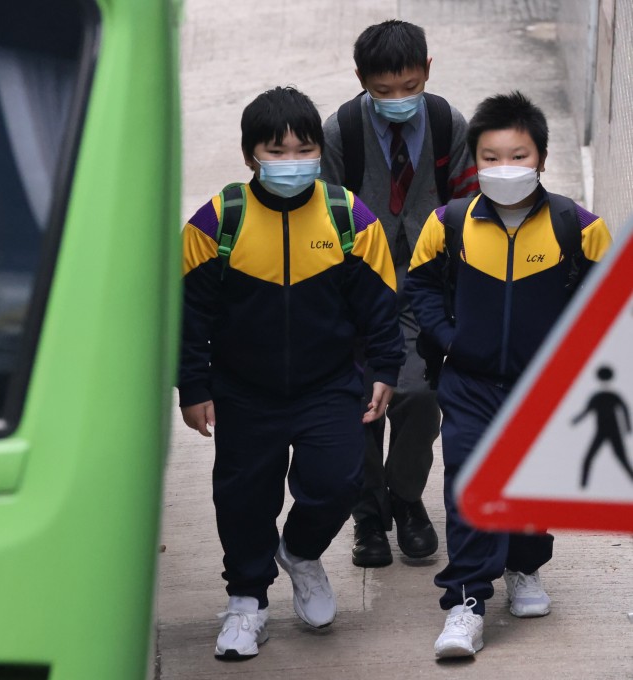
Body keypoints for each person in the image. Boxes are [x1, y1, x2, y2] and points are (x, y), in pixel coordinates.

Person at [178, 85, 404, 660]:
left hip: (328, 384)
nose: (291, 162)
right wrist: (194, 386)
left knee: (338, 481)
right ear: (250, 152)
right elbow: (188, 314)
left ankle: (301, 552)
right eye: (276, 152)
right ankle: (247, 602)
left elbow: (379, 304)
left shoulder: (349, 216)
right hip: (242, 391)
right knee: (244, 497)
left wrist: (384, 366)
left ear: (318, 153)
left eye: (303, 150)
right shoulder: (216, 222)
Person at [404, 91, 613, 658]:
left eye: (518, 155)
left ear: (541, 158)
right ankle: (466, 604)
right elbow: (419, 286)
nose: (505, 168)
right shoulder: (448, 224)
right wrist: (450, 341)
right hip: (469, 384)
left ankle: (524, 567)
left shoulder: (580, 227)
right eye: (491, 157)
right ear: (474, 161)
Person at [321, 19, 478, 568]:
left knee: (421, 395)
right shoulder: (339, 132)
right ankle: (368, 513)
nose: (398, 101)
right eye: (383, 91)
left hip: (425, 285)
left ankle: (406, 498)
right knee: (361, 400)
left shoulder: (446, 123)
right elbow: (325, 215)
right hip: (357, 289)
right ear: (361, 78)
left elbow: (467, 203)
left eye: (410, 87)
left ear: (427, 73)